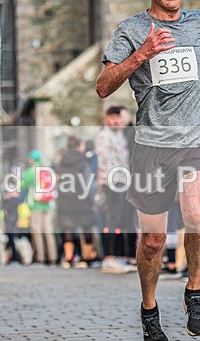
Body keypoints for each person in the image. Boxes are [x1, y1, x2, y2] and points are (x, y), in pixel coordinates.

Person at [96, 0, 200, 341]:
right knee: (153, 241)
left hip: (198, 140)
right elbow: (103, 86)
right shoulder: (132, 30)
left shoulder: (198, 22)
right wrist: (143, 53)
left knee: (194, 213)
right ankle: (150, 309)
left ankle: (194, 292)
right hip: (152, 145)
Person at [93, 106, 134, 274]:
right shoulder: (104, 136)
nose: (116, 121)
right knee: (111, 219)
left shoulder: (119, 135)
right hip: (111, 181)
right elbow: (102, 161)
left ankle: (116, 257)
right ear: (106, 119)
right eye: (112, 118)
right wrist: (101, 184)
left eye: (118, 118)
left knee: (119, 219)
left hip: (123, 181)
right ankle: (109, 257)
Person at [55, 136, 95, 268]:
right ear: (78, 146)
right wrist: (92, 200)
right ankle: (86, 258)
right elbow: (87, 181)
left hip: (65, 200)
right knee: (86, 227)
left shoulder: (61, 161)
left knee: (68, 228)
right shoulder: (83, 161)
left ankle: (68, 259)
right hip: (81, 199)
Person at [21, 150, 58, 265]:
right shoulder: (47, 171)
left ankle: (41, 257)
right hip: (48, 205)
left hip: (35, 205)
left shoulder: (30, 172)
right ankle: (52, 257)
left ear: (31, 159)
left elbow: (22, 187)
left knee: (37, 231)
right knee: (48, 231)